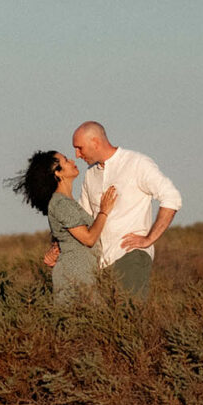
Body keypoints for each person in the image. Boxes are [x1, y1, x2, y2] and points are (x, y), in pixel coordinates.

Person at [45, 121, 182, 299]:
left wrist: (149, 239)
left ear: (95, 142)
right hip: (100, 264)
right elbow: (82, 221)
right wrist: (57, 247)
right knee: (106, 317)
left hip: (129, 256)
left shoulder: (137, 163)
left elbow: (172, 198)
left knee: (128, 313)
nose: (77, 155)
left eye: (80, 148)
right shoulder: (90, 174)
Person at [9, 150, 117, 304]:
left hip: (83, 276)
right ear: (58, 173)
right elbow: (89, 239)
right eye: (66, 160)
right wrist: (104, 211)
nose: (72, 161)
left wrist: (55, 249)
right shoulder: (61, 204)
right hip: (74, 277)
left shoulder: (67, 203)